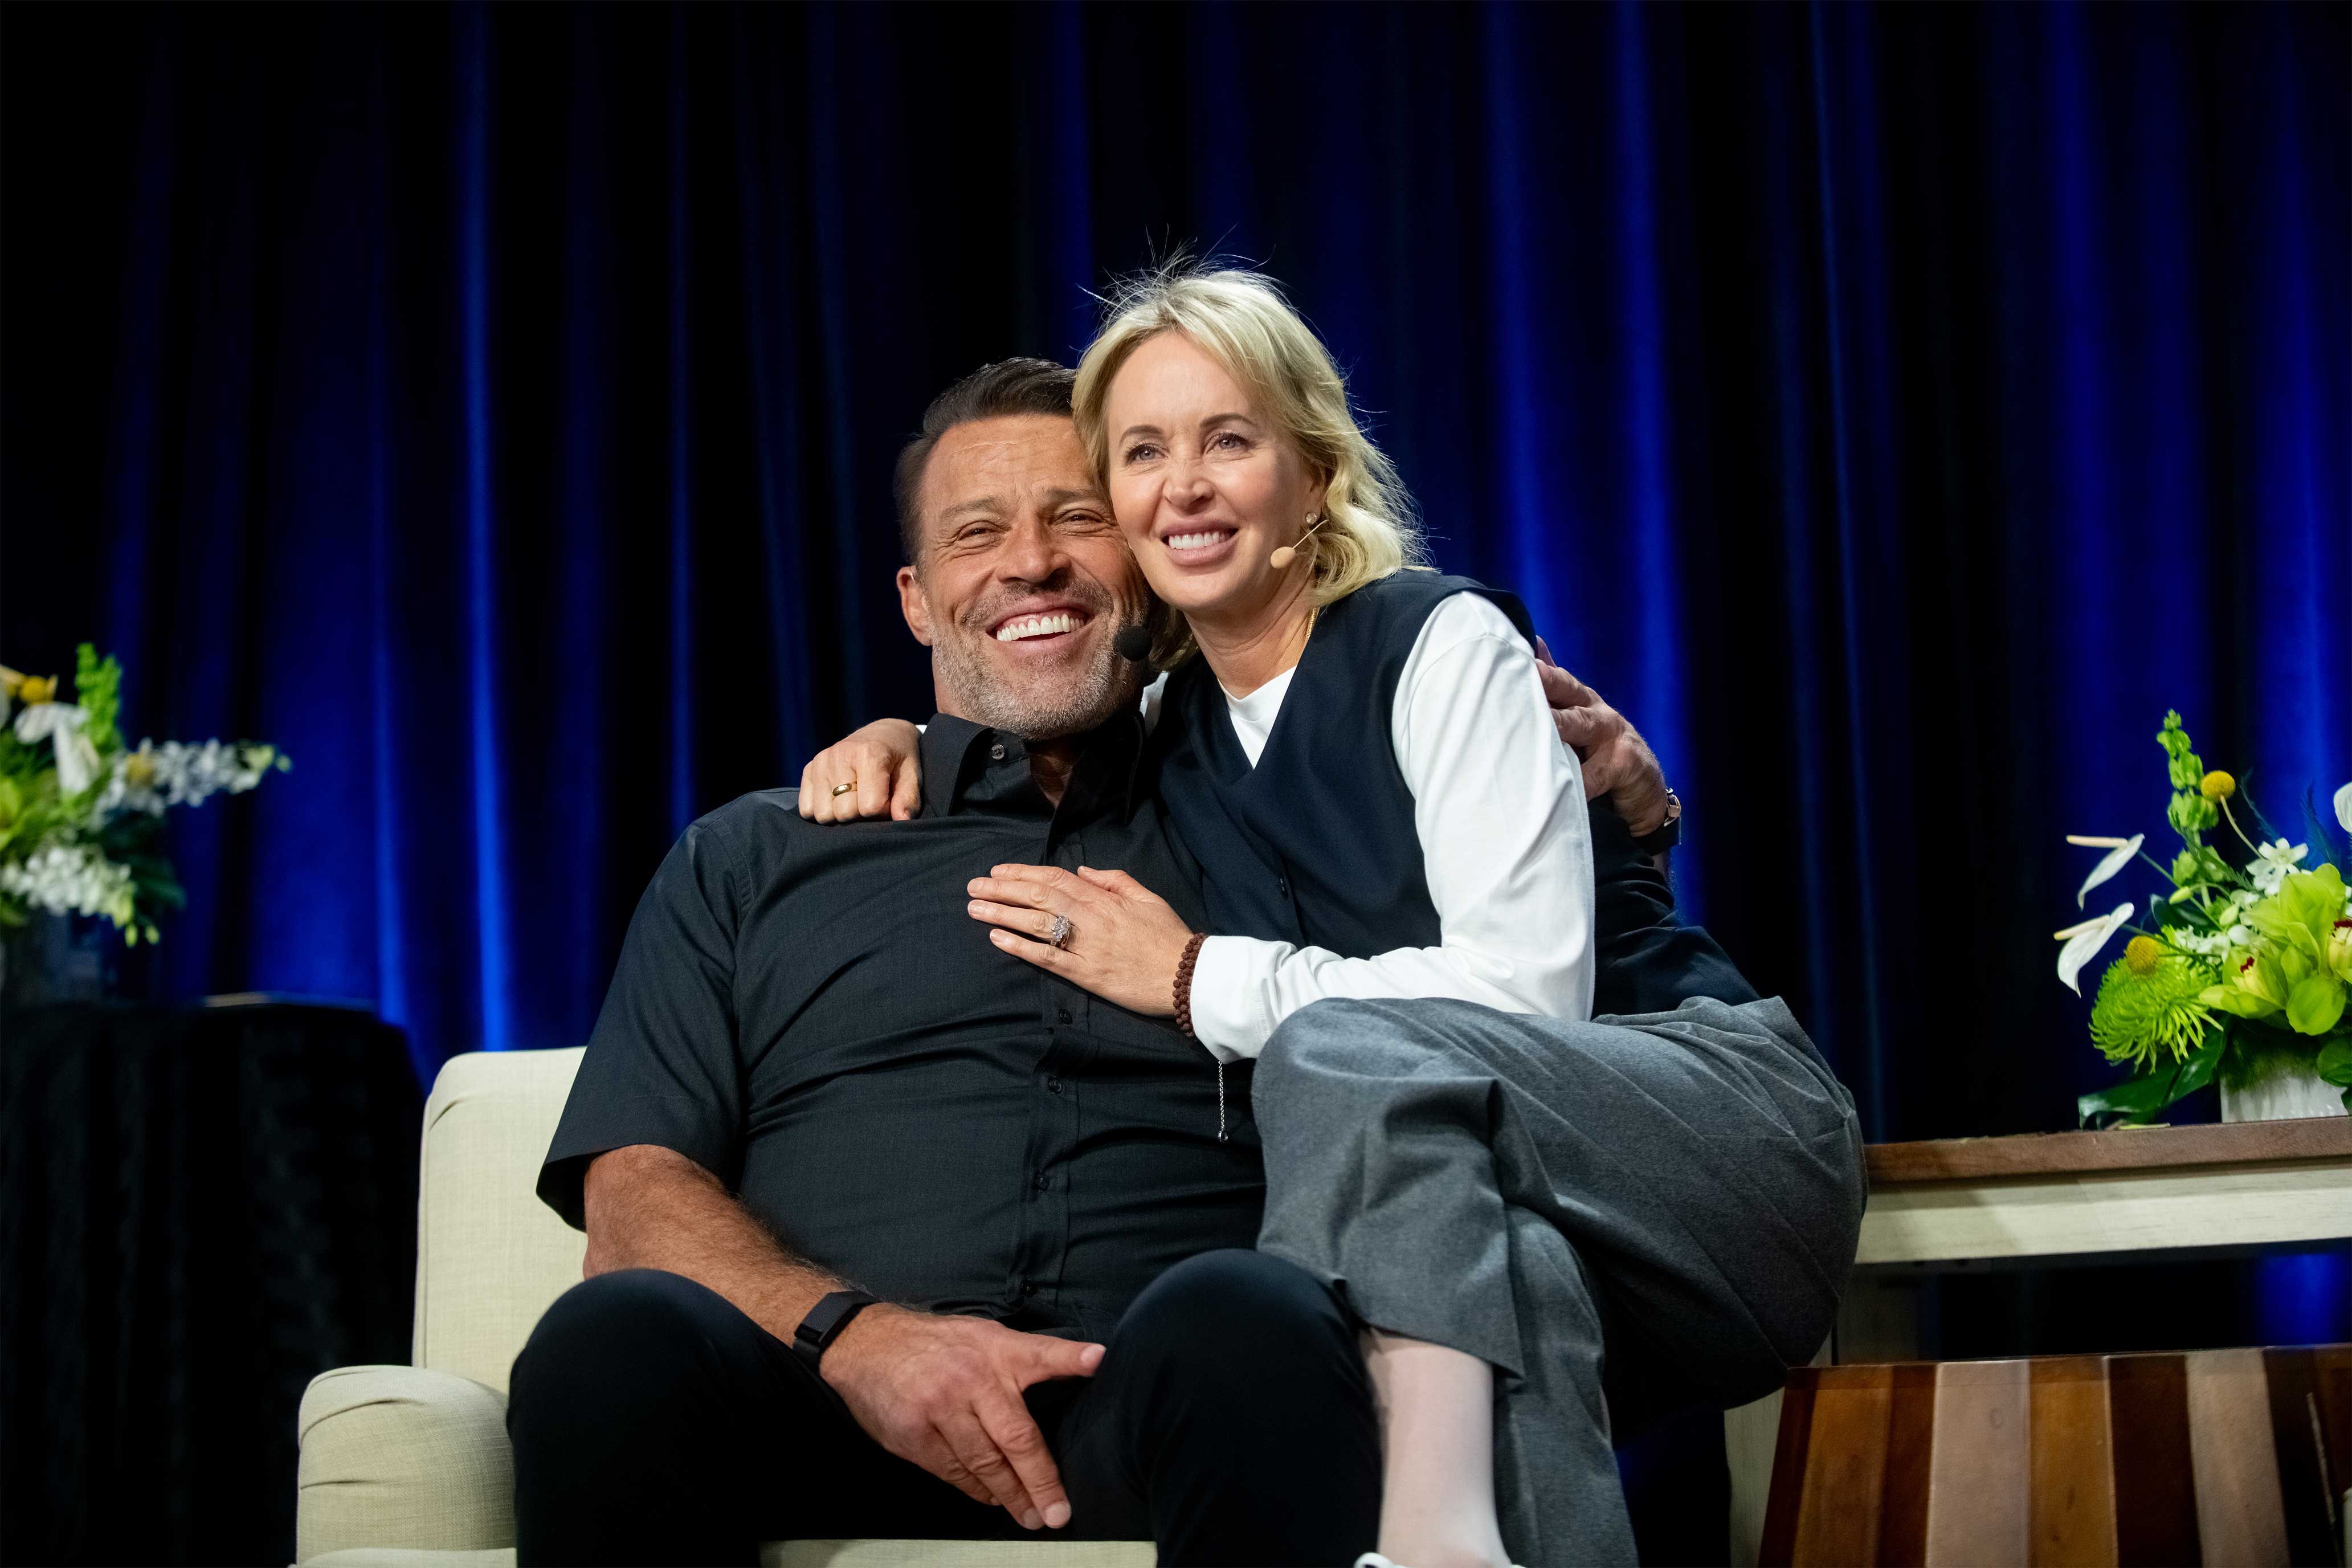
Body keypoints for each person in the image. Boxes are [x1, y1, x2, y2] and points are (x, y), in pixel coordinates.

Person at [800, 265, 1864, 1568]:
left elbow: (1525, 997)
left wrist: (1198, 976)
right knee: (1493, 1282)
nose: (1183, 483)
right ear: (1118, 514)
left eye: (1228, 439)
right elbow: (1023, 720)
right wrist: (905, 732)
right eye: (1142, 452)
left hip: (1708, 1147)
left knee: (1339, 1055)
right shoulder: (1165, 729)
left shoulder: (1438, 641)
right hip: (1514, 1215)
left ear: (1311, 474)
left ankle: (1418, 1541)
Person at [509, 357, 1634, 1568]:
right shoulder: (755, 854)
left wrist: (1633, 813)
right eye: (977, 532)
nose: (1031, 562)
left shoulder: (1270, 818)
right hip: (822, 1399)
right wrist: (862, 1335)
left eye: (1078, 519)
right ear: (917, 600)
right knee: (609, 1337)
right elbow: (630, 1203)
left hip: (1155, 1402)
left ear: (1148, 567)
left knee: (1252, 1316)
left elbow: (1508, 989)